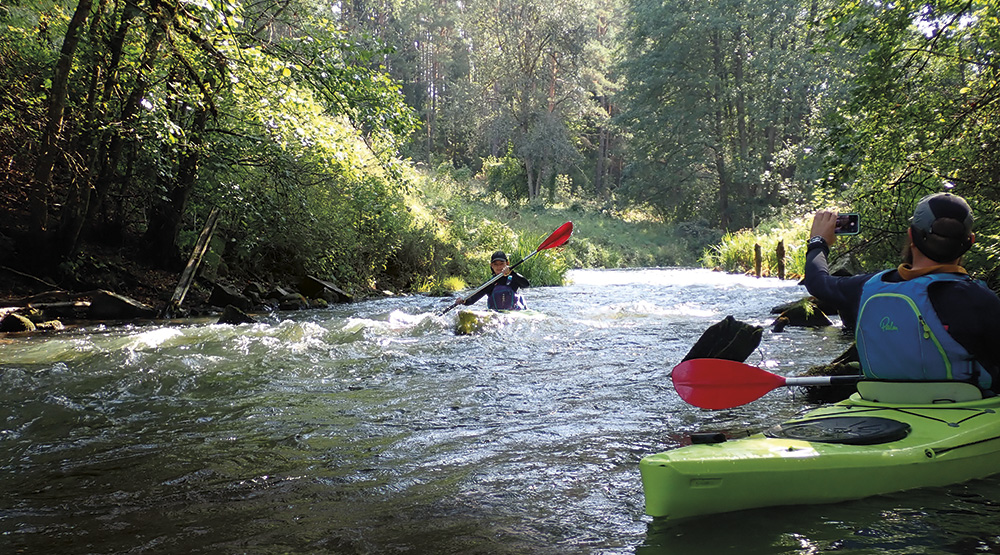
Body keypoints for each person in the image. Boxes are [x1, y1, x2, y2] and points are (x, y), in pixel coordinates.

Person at [803, 192, 1000, 392]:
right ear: (969, 242)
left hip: (879, 403)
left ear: (911, 236)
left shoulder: (865, 288)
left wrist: (819, 241)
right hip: (964, 408)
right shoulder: (981, 300)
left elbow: (817, 281)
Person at [456, 251, 530, 311]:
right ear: (491, 265)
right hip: (496, 316)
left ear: (507, 264)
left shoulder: (514, 278)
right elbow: (472, 300)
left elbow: (526, 284)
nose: (499, 267)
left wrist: (512, 272)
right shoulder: (490, 284)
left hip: (514, 314)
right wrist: (464, 301)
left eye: (502, 264)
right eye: (496, 264)